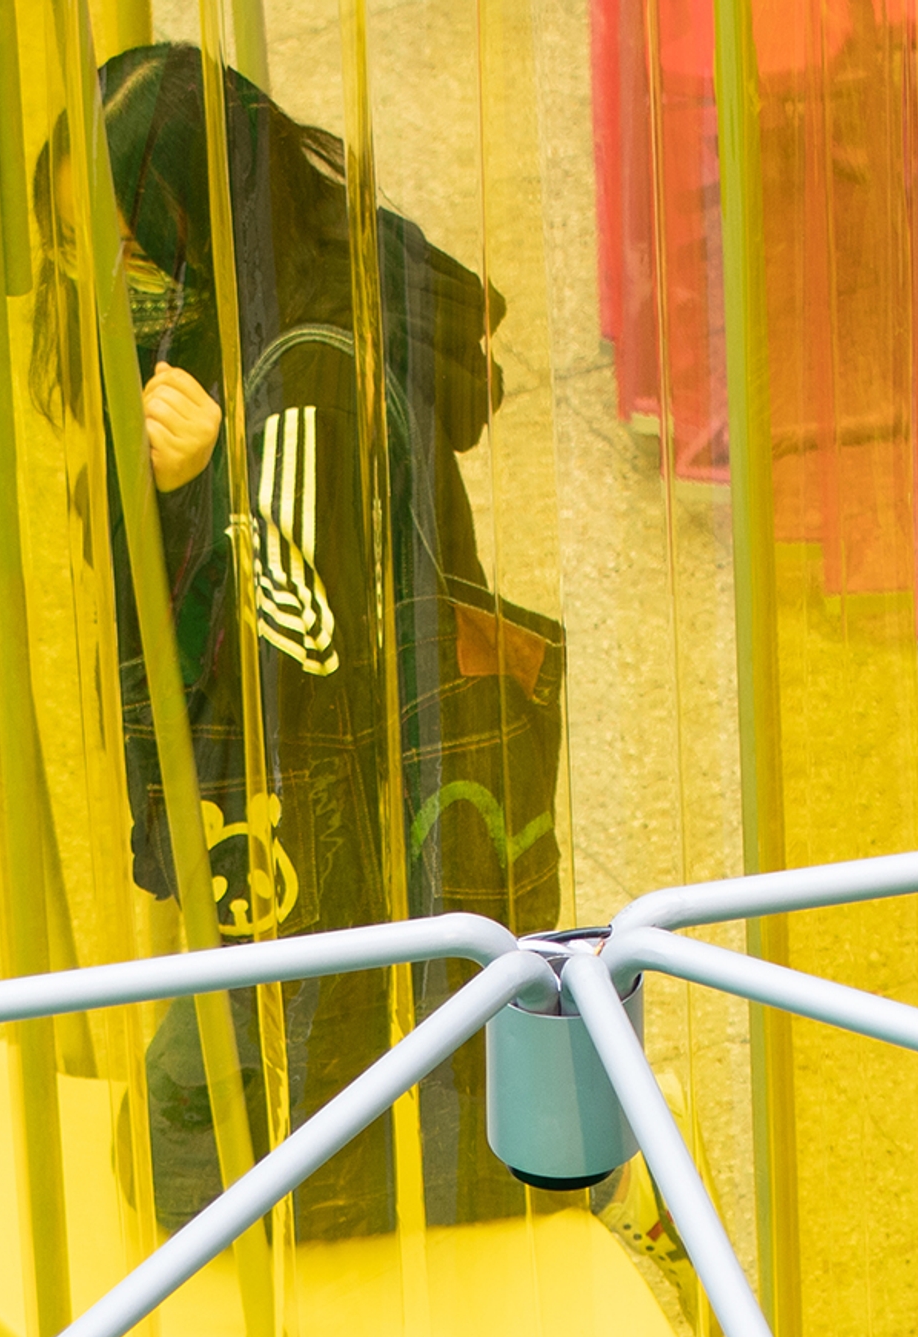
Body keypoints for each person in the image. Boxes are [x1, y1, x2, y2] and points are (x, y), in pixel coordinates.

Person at [43, 46, 560, 1238]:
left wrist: (202, 476)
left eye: (122, 246)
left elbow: (306, 634)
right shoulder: (290, 297)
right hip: (350, 809)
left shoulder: (298, 365)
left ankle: (349, 1196)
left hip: (322, 814)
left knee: (219, 1136)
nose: (108, 280)